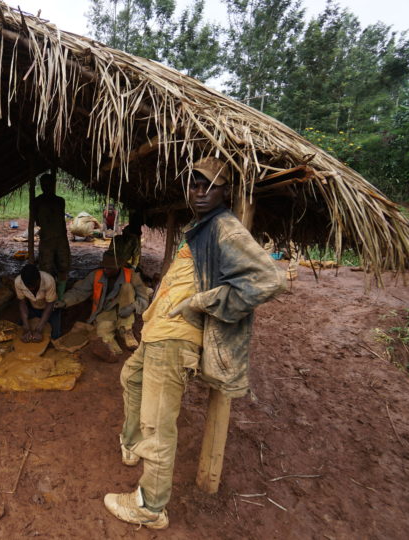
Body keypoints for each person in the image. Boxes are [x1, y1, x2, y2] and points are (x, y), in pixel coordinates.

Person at [103, 157, 285, 529]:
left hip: (176, 339)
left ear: (225, 191)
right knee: (130, 380)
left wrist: (201, 302)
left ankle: (150, 508)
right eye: (195, 185)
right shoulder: (201, 226)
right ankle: (133, 444)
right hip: (158, 332)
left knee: (158, 424)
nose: (200, 192)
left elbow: (269, 280)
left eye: (210, 186)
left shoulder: (225, 228)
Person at [56, 251, 149, 355]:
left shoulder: (131, 275)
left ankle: (126, 330)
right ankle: (114, 348)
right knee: (103, 335)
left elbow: (144, 298)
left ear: (118, 267)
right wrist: (64, 301)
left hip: (125, 309)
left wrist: (133, 307)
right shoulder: (96, 275)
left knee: (127, 287)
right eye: (104, 267)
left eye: (109, 268)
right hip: (106, 311)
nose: (105, 270)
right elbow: (79, 291)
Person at [32, 173, 70, 299]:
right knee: (45, 269)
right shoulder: (37, 201)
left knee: (63, 267)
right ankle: (49, 295)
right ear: (41, 186)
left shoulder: (60, 201)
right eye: (44, 184)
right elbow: (36, 220)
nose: (46, 186)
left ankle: (60, 296)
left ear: (53, 185)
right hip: (47, 240)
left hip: (61, 239)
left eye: (49, 184)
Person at [15, 263, 61, 341]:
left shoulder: (48, 280)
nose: (31, 289)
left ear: (39, 278)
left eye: (34, 285)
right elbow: (22, 303)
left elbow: (50, 304)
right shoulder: (18, 282)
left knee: (55, 335)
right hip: (33, 307)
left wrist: (39, 330)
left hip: (50, 309)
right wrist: (26, 328)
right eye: (28, 286)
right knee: (19, 330)